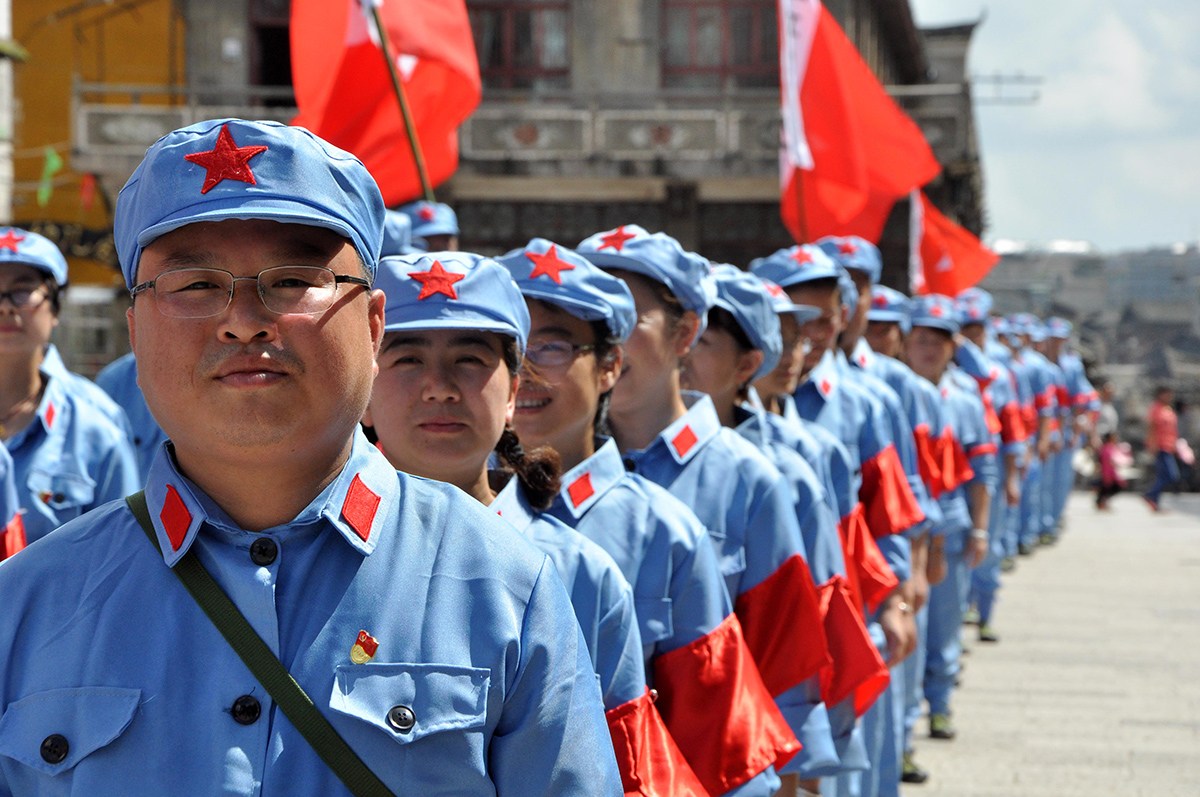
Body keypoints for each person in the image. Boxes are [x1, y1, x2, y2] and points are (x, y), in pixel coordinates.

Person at [0, 118, 618, 794]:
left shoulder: (508, 587)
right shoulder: (28, 605)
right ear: (136, 330)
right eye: (196, 285)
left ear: (376, 325)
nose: (243, 318)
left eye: (293, 279)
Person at [362, 249, 689, 794]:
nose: (439, 387)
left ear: (514, 392)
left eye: (469, 360)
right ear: (364, 390)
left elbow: (624, 770)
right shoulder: (303, 551)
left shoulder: (581, 573)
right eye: (407, 359)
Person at [497, 239, 789, 797]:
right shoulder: (442, 517)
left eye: (553, 347)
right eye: (510, 347)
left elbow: (719, 740)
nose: (528, 370)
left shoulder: (666, 532)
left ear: (610, 365)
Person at [577, 224, 818, 796]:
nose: (608, 337)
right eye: (589, 319)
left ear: (686, 331)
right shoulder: (534, 476)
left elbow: (785, 663)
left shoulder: (749, 480)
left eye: (627, 315)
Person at [0, 226, 139, 543]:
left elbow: (123, 550)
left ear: (55, 308)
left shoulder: (96, 424)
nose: (6, 306)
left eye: (23, 291)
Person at [1143, 385, 1179, 512]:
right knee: (1171, 474)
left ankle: (1154, 501)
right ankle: (1151, 494)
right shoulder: (1156, 409)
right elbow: (1152, 428)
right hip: (1160, 446)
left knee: (1163, 475)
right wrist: (1152, 445)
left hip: (1169, 446)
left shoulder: (1168, 409)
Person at [1096, 431, 1128, 510]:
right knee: (1110, 488)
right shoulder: (1107, 449)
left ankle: (1101, 502)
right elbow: (1107, 464)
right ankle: (1101, 502)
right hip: (1108, 473)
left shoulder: (1111, 447)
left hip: (1110, 473)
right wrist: (1108, 475)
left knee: (1106, 489)